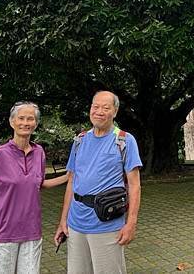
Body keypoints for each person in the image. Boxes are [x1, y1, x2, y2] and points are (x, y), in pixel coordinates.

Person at [0, 101, 68, 274]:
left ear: (35, 124)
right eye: (21, 118)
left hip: (31, 233)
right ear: (12, 122)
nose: (25, 123)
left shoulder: (39, 152)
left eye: (30, 119)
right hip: (1, 234)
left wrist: (68, 177)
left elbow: (38, 183)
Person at [54, 91, 142, 274]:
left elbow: (134, 185)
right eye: (95, 106)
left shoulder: (124, 140)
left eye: (106, 107)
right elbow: (72, 181)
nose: (99, 111)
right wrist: (63, 220)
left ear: (115, 112)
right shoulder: (80, 140)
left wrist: (131, 223)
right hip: (76, 224)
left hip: (107, 222)